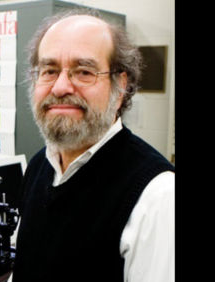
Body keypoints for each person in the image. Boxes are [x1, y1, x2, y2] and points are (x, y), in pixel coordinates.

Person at [12, 9, 175, 282]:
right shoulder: (40, 165)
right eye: (49, 70)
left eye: (84, 71)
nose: (61, 87)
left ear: (120, 87)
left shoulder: (157, 195)